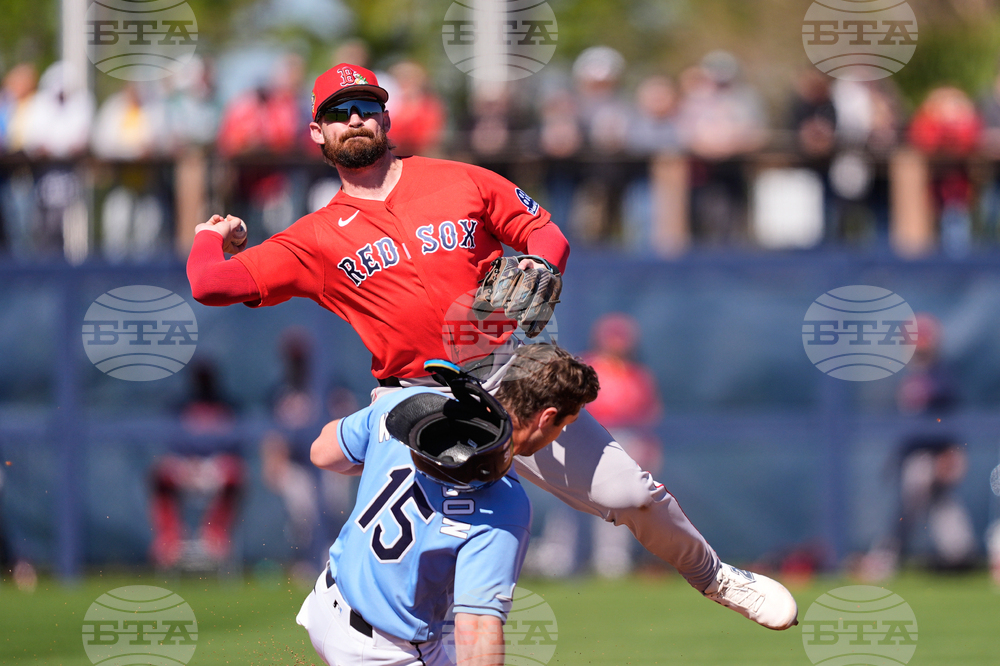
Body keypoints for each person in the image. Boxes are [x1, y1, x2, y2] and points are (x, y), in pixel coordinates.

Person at [187, 62, 798, 630]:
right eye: (339, 110)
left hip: (509, 376)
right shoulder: (314, 238)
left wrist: (540, 260)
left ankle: (716, 576)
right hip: (417, 406)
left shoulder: (459, 179)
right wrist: (211, 234)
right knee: (408, 568)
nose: (354, 118)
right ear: (316, 133)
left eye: (366, 105)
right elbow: (210, 282)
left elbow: (543, 231)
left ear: (387, 118)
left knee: (632, 493)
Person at [297, 345, 599, 665]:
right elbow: (477, 628)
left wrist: (387, 453)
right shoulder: (506, 502)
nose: (560, 433)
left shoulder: (408, 408)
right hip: (388, 653)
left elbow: (322, 452)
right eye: (564, 424)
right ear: (546, 417)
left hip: (327, 601)